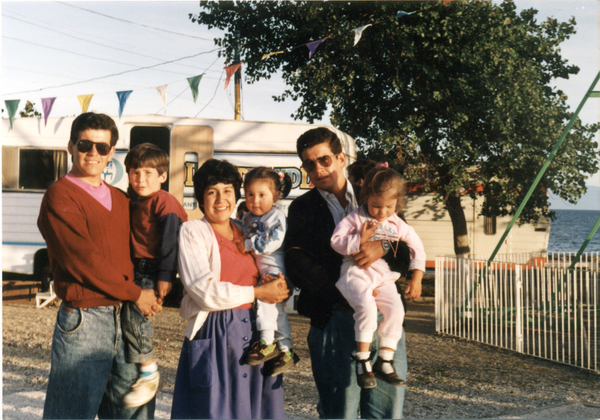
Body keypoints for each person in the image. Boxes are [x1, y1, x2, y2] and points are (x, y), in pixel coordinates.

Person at [284, 127, 422, 419]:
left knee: (386, 410)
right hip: (333, 318)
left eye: (324, 160)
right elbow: (296, 262)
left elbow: (407, 243)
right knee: (339, 411)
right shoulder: (302, 208)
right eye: (309, 163)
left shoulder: (373, 191)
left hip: (382, 312)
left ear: (341, 157)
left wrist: (382, 247)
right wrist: (342, 293)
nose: (318, 169)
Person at [37, 112, 160, 419]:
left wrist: (159, 282)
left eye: (102, 147)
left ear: (112, 153)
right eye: (85, 144)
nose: (93, 153)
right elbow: (83, 261)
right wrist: (136, 293)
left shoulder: (121, 199)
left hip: (126, 317)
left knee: (132, 413)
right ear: (70, 146)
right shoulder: (59, 196)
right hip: (85, 321)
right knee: (70, 414)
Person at [171, 159, 289, 419]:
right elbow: (203, 291)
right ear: (202, 198)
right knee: (216, 410)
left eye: (227, 191)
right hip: (216, 331)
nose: (221, 199)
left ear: (237, 195)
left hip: (257, 333)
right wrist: (258, 293)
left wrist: (279, 285)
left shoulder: (246, 230)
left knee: (258, 411)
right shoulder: (193, 232)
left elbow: (270, 264)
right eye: (212, 192)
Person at [331, 164, 426, 389]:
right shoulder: (356, 218)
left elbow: (417, 248)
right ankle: (362, 361)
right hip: (356, 272)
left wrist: (417, 277)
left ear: (398, 203)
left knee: (396, 309)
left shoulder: (397, 223)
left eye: (389, 206)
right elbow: (336, 241)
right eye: (376, 206)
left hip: (382, 274)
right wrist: (359, 240)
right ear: (365, 198)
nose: (382, 212)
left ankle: (385, 360)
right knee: (367, 307)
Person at [121, 143, 188, 407]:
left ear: (163, 176)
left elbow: (170, 243)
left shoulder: (164, 201)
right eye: (135, 172)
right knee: (131, 317)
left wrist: (165, 277)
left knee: (135, 321)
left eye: (149, 173)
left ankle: (148, 372)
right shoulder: (135, 199)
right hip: (135, 267)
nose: (141, 179)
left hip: (152, 268)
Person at [237, 167, 299, 376]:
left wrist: (247, 243)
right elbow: (238, 230)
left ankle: (266, 341)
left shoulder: (276, 216)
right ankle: (286, 349)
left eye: (262, 195)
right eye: (250, 195)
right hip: (261, 267)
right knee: (276, 309)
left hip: (276, 265)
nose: (255, 200)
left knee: (265, 299)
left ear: (276, 196)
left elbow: (273, 242)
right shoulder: (246, 218)